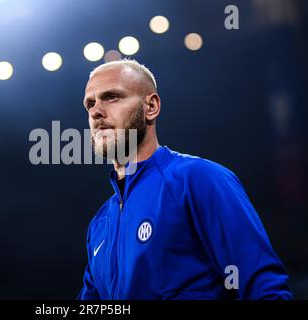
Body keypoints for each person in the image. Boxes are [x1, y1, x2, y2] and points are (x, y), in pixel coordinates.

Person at [77, 59, 292, 300]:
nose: (96, 111)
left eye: (112, 97)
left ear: (151, 107)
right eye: (90, 104)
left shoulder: (198, 179)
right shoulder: (100, 223)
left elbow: (263, 286)